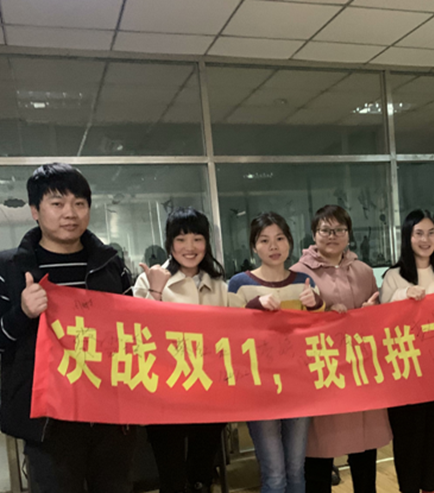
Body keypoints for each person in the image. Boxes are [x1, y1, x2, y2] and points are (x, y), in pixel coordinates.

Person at [0, 163, 136, 493]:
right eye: (57, 203)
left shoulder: (110, 264)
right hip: (49, 423)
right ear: (35, 210)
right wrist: (22, 313)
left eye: (79, 203)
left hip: (109, 415)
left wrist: (156, 298)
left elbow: (134, 333)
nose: (70, 213)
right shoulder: (11, 268)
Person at [291, 204, 392, 493]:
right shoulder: (298, 273)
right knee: (319, 458)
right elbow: (293, 325)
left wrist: (372, 311)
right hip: (323, 374)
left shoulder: (364, 271)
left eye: (339, 230)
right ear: (314, 234)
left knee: (364, 458)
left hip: (361, 373)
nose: (332, 235)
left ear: (349, 234)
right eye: (325, 230)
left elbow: (378, 318)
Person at [134, 207, 228, 493]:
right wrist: (156, 292)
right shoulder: (148, 280)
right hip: (165, 393)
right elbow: (138, 334)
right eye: (181, 239)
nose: (190, 247)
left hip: (209, 392)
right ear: (169, 243)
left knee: (202, 475)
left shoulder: (219, 284)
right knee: (171, 477)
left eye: (198, 239)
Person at [228, 211, 323, 493]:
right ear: (254, 247)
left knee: (296, 470)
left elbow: (320, 333)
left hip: (298, 387)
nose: (273, 246)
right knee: (274, 475)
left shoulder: (304, 281)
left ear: (290, 242)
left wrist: (317, 304)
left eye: (280, 238)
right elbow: (229, 332)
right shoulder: (239, 284)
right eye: (264, 240)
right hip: (260, 390)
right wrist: (253, 307)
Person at [379, 210, 434, 493]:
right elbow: (381, 321)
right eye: (418, 233)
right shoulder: (394, 276)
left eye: (431, 233)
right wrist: (402, 297)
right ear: (408, 237)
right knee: (408, 436)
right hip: (404, 372)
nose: (425, 239)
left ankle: (431, 487)